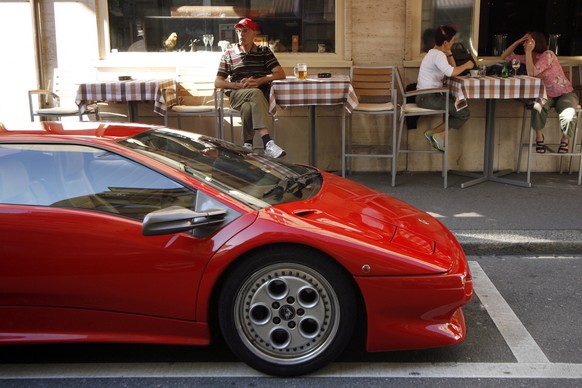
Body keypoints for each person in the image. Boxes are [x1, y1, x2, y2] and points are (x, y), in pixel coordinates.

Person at [215, 18, 287, 158]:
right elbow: (218, 82)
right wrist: (237, 85)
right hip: (238, 94)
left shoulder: (264, 51)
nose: (241, 34)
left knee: (248, 105)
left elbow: (281, 73)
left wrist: (261, 80)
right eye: (239, 31)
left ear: (254, 33)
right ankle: (267, 142)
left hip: (259, 98)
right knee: (254, 93)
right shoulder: (229, 54)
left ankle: (247, 144)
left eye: (245, 30)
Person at [502, 32, 579, 154]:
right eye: (525, 41)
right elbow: (504, 56)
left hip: (564, 93)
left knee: (569, 114)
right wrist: (518, 41)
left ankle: (565, 139)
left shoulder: (548, 55)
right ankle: (539, 137)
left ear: (536, 42)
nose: (525, 44)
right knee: (537, 106)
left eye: (529, 41)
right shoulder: (528, 57)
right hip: (545, 94)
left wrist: (527, 52)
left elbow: (532, 73)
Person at [416, 25, 474, 152]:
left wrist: (449, 52)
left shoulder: (435, 53)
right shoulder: (438, 55)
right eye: (452, 40)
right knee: (464, 113)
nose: (454, 42)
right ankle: (432, 133)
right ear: (445, 42)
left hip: (427, 96)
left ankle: (438, 135)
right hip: (427, 97)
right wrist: (466, 65)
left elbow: (453, 69)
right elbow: (451, 72)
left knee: (460, 108)